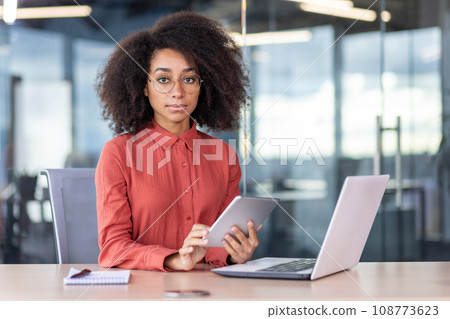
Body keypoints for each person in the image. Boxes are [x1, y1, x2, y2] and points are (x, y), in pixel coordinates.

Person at [95, 11, 259, 271]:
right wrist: (174, 259)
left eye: (189, 79)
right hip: (142, 296)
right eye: (163, 79)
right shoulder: (118, 153)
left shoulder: (223, 155)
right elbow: (112, 248)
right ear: (144, 87)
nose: (178, 92)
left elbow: (219, 245)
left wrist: (234, 253)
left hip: (210, 293)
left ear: (203, 85)